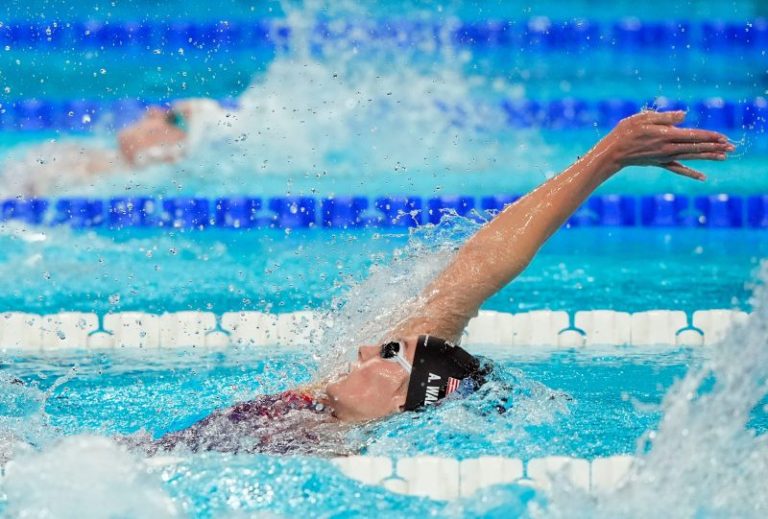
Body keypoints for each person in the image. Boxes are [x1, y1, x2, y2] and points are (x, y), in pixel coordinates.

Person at [146, 109, 734, 454]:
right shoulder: (324, 405)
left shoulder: (328, 453)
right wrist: (606, 156)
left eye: (388, 354)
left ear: (407, 400)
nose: (364, 348)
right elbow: (477, 269)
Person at [0, 99, 224, 197]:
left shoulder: (121, 183)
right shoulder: (108, 163)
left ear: (172, 151)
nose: (153, 112)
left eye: (171, 118)